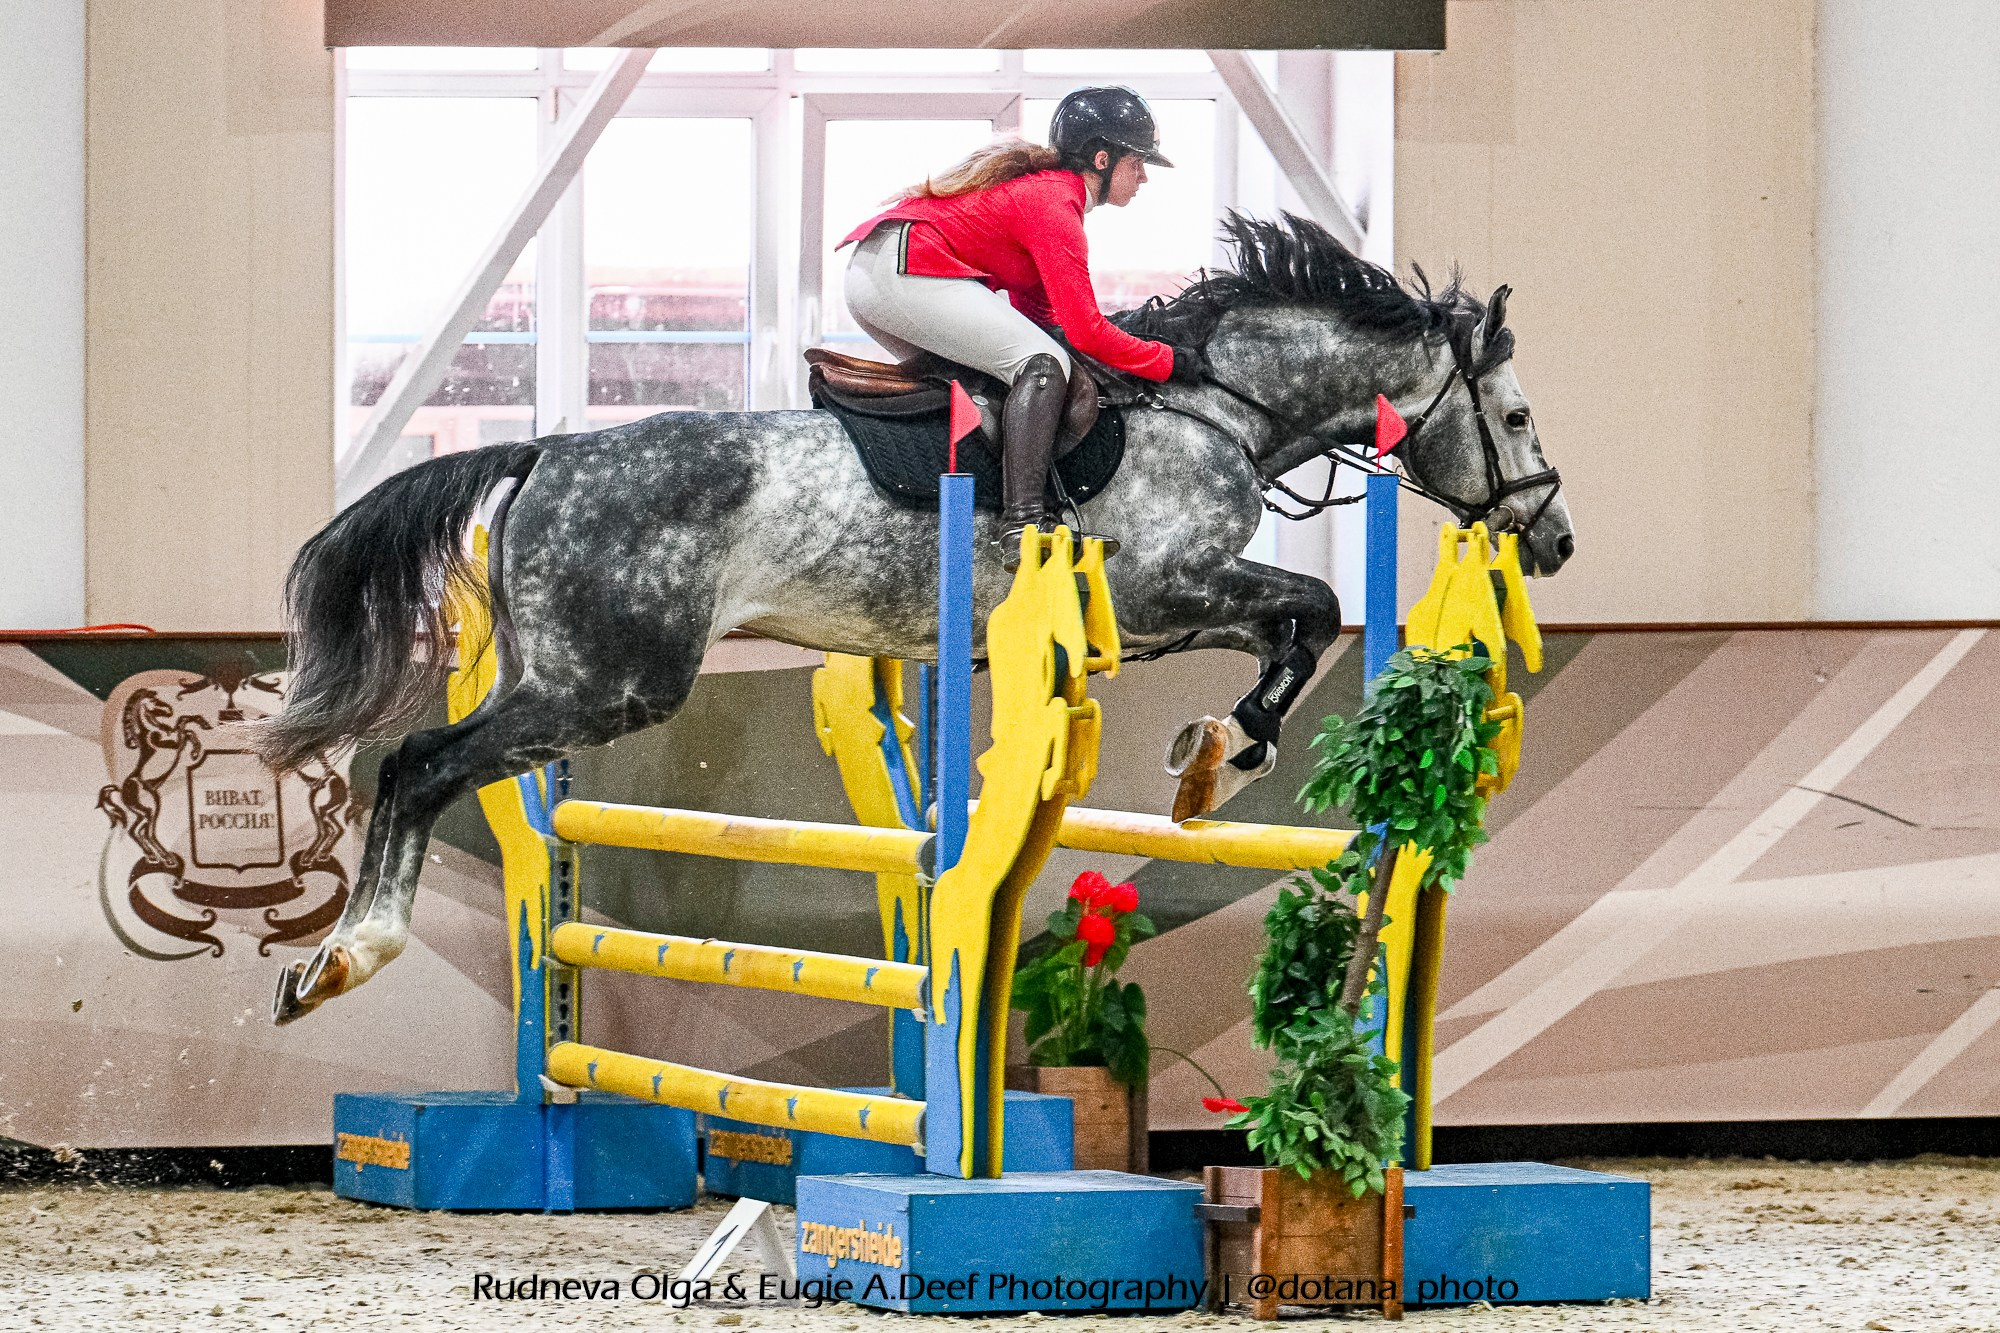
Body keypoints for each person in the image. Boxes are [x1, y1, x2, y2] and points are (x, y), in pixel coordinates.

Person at [838, 86, 1207, 565]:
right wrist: (1169, 361)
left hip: (883, 272)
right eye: (1137, 164)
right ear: (1101, 158)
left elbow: (1042, 316)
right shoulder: (1055, 205)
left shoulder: (1049, 197)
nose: (1143, 178)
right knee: (1043, 364)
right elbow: (1085, 332)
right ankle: (1023, 523)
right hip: (903, 272)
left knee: (1016, 369)